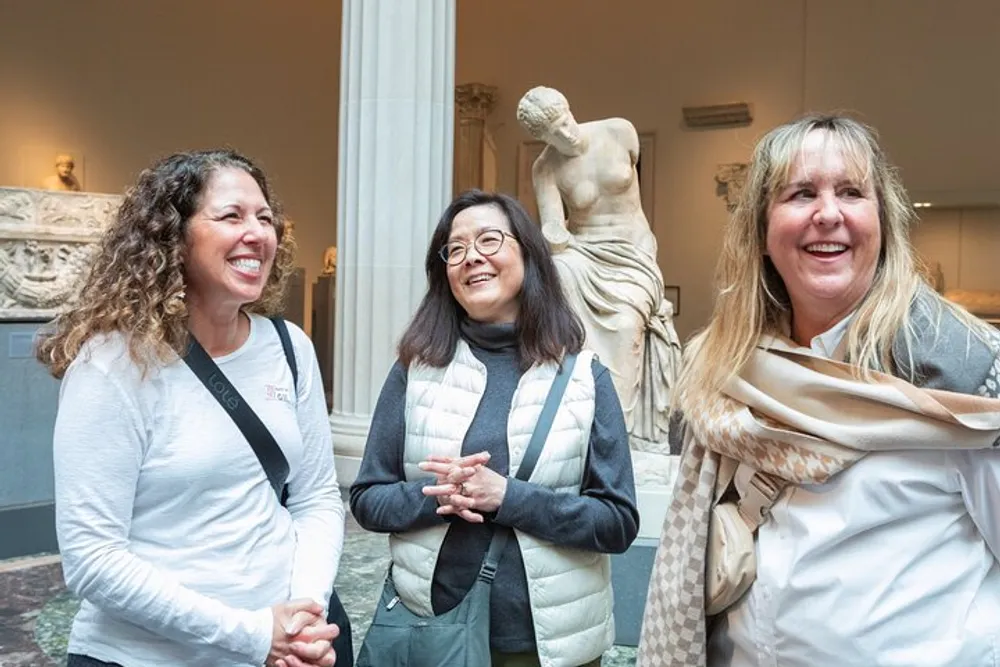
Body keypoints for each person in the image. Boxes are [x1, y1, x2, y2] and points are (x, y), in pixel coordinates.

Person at [637, 114, 1000, 667]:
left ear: (884, 223)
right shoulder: (725, 371)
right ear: (761, 231)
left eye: (851, 192)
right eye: (800, 193)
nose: (827, 214)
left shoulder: (966, 372)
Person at [38, 149, 345, 667]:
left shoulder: (289, 347)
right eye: (231, 216)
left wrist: (304, 614)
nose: (258, 233)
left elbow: (315, 497)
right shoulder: (113, 363)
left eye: (265, 218)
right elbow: (94, 560)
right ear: (173, 237)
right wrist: (251, 635)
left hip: (292, 642)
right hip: (149, 656)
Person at [349, 189, 639, 667]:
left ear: (527, 253)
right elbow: (367, 499)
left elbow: (617, 522)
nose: (472, 258)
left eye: (489, 240)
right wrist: (436, 496)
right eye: (456, 249)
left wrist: (508, 497)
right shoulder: (415, 371)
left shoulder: (585, 379)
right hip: (433, 631)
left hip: (549, 647)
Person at [516, 86, 680, 469]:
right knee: (555, 278)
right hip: (584, 254)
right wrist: (553, 237)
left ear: (571, 110)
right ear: (542, 139)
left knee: (625, 326)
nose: (566, 134)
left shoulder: (619, 131)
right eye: (554, 133)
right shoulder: (546, 168)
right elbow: (555, 227)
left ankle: (616, 430)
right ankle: (579, 420)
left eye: (565, 122)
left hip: (633, 256)